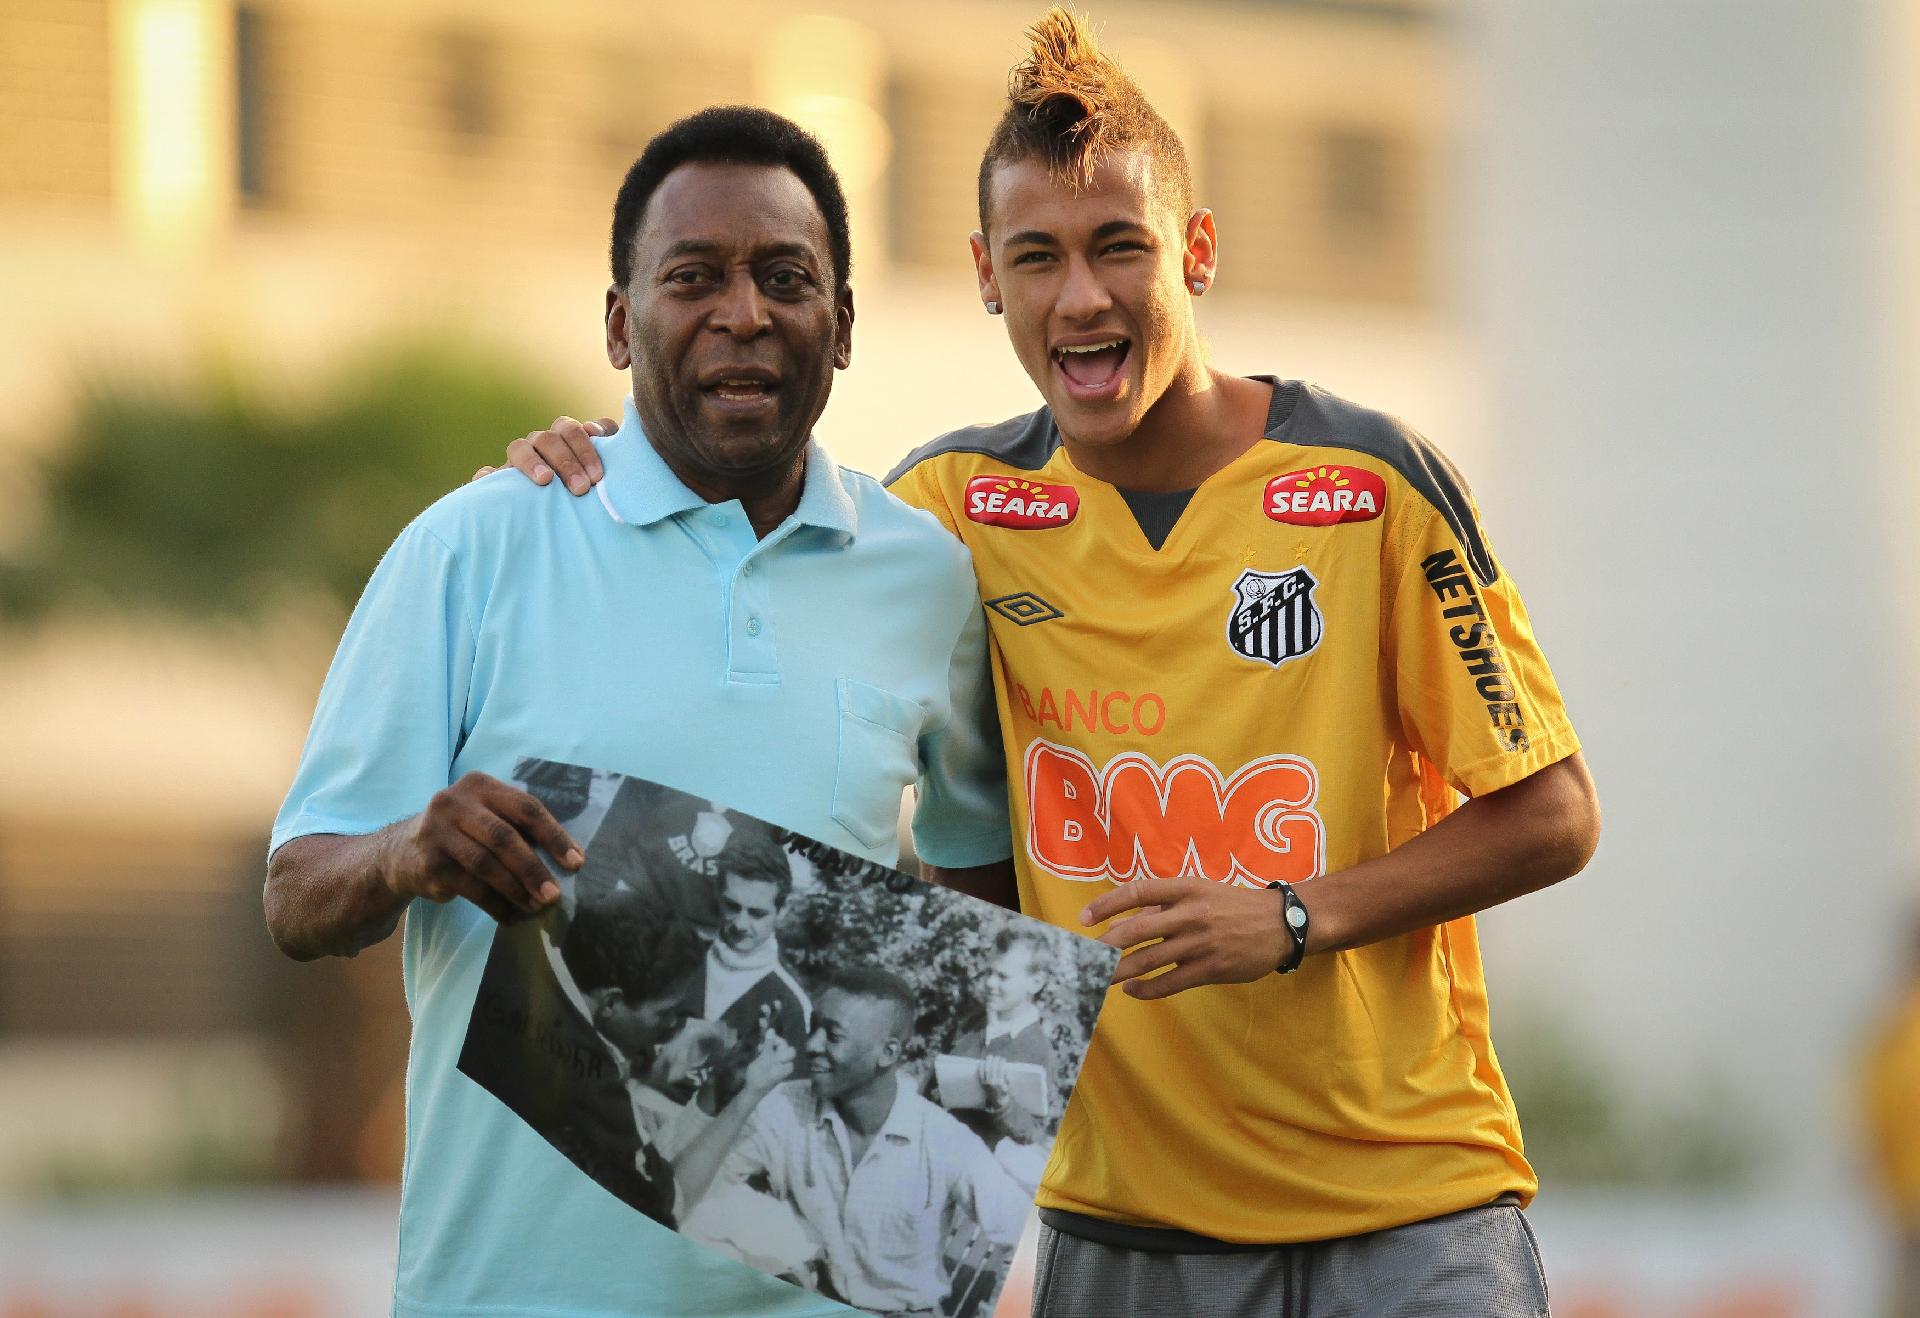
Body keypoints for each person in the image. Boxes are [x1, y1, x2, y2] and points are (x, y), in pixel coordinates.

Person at [498, 12, 1601, 1316]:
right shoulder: (951, 510)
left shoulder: (1369, 486)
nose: (1080, 294)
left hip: (1415, 1212)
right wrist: (572, 477)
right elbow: (733, 561)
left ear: (1194, 250)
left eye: (1118, 245)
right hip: (1124, 1231)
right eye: (1037, 256)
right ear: (985, 274)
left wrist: (1292, 912)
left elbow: (1554, 814)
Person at [264, 105, 1013, 1318]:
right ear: (621, 323)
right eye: (692, 277)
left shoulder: (928, 576)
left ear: (846, 326)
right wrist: (413, 850)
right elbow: (295, 895)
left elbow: (985, 921)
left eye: (786, 278)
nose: (743, 314)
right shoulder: (477, 544)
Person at [676, 967, 1031, 1318]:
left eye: (832, 1035)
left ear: (887, 1053)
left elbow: (1032, 1238)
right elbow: (685, 1194)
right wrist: (739, 1092)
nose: (811, 1044)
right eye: (814, 1026)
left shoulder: (943, 1140)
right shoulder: (785, 1106)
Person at [677, 828, 811, 1062]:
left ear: (781, 910)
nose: (740, 924)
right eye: (732, 906)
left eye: (757, 913)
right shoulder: (676, 956)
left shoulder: (792, 1005)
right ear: (718, 894)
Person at [941, 926, 1057, 1184]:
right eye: (989, 972)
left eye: (1003, 977)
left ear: (1035, 983)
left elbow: (1032, 1132)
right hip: (932, 1146)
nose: (990, 983)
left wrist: (1002, 1101)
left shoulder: (1037, 1049)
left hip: (969, 1174)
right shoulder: (972, 1022)